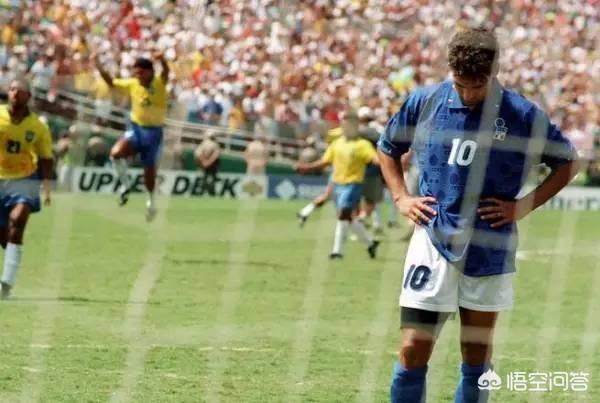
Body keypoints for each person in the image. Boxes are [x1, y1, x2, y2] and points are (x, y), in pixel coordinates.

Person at [377, 27, 580, 403]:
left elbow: (568, 162)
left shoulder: (522, 114)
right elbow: (388, 147)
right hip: (433, 237)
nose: (468, 95)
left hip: (490, 242)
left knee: (476, 355)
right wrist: (401, 197)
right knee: (412, 348)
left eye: (477, 86)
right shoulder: (425, 101)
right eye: (460, 85)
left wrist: (523, 206)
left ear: (494, 72)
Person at [93, 52, 169, 222]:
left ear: (150, 72)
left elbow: (166, 73)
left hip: (153, 133)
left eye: (141, 73)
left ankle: (151, 202)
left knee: (149, 171)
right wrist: (98, 65)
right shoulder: (133, 84)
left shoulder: (159, 83)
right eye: (136, 73)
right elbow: (111, 82)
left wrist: (163, 60)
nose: (138, 76)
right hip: (136, 129)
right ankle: (126, 185)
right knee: (115, 154)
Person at [297, 109, 380, 259]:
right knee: (347, 217)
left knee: (342, 214)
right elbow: (325, 161)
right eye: (343, 124)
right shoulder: (337, 143)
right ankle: (370, 244)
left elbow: (375, 159)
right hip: (337, 184)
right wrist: (306, 168)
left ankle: (337, 251)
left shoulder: (362, 145)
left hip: (353, 184)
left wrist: (391, 164)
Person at [0, 79, 53, 299]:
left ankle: (6, 285)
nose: (15, 93)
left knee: (18, 220)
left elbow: (45, 157)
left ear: (28, 97)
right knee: (4, 234)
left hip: (25, 179)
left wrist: (46, 185)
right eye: (12, 89)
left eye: (20, 91)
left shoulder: (38, 127)